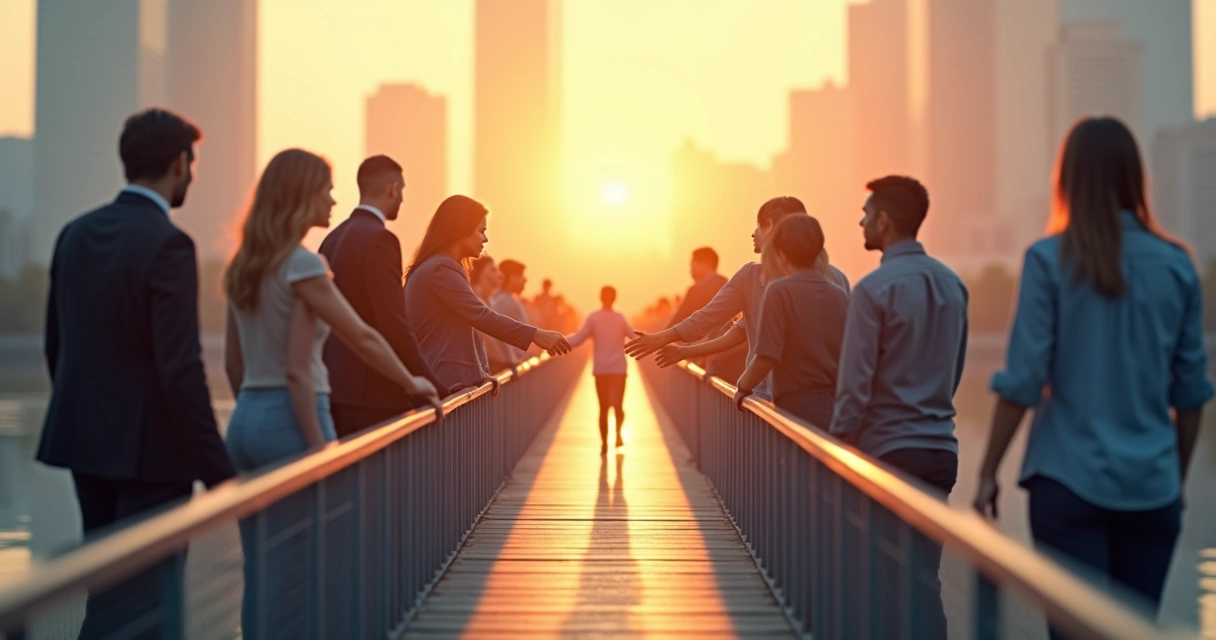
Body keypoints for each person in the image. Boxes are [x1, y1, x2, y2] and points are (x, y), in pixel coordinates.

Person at [973, 117, 1212, 635]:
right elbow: (1191, 394)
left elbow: (1023, 380)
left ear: (1069, 178)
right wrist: (1175, 475)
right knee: (1134, 629)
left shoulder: (1048, 260)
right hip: (1153, 487)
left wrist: (988, 470)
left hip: (1067, 483)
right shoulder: (1177, 265)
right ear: (1134, 176)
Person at [222, 149, 440, 637]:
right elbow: (354, 339)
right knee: (302, 563)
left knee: (260, 564)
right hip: (291, 416)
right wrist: (413, 382)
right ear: (302, 197)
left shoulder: (246, 264)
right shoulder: (302, 264)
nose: (334, 198)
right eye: (326, 189)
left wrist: (255, 412)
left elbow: (233, 363)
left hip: (245, 420)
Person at [36, 109, 235, 639]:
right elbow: (180, 368)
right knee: (149, 606)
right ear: (177, 163)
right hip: (152, 456)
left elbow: (58, 345)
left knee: (105, 595)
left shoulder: (74, 234)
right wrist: (220, 472)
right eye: (192, 163)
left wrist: (87, 418)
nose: (192, 174)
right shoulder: (169, 244)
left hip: (86, 445)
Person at [828, 175, 968, 639]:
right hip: (939, 453)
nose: (862, 221)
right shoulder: (953, 285)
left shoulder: (873, 289)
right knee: (925, 581)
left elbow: (854, 385)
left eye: (867, 214)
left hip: (888, 453)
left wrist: (837, 446)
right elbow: (956, 369)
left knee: (884, 582)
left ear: (885, 221)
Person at [632, 196, 850, 399]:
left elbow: (711, 319)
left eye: (758, 225)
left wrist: (743, 385)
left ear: (771, 226)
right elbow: (742, 329)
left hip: (770, 401)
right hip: (823, 402)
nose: (754, 233)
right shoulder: (836, 280)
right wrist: (682, 349)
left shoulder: (755, 278)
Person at [318, 155, 445, 438]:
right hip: (374, 393)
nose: (402, 200)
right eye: (402, 191)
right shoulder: (380, 239)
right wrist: (431, 382)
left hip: (333, 389)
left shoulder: (332, 239)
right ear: (393, 189)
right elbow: (394, 323)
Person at [405, 195, 572, 392]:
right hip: (443, 383)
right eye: (481, 231)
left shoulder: (445, 266)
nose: (485, 239)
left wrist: (481, 374)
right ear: (461, 230)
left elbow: (463, 330)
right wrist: (536, 335)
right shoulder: (441, 268)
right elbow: (479, 316)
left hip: (448, 382)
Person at [733, 215, 849, 429]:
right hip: (834, 405)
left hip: (795, 405)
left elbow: (767, 356)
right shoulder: (838, 294)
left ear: (779, 253)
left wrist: (742, 386)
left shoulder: (778, 292)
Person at [567, 286, 636, 455]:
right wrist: (659, 342)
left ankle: (604, 444)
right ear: (615, 298)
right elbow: (634, 336)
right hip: (618, 368)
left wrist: (559, 343)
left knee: (603, 407)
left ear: (600, 298)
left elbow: (579, 338)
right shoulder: (619, 318)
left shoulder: (594, 318)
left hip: (601, 368)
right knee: (618, 406)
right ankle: (618, 436)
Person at [486, 259, 533, 372]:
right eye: (521, 275)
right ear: (512, 277)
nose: (525, 280)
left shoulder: (507, 300)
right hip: (508, 367)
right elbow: (515, 340)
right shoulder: (505, 302)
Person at [665, 247, 728, 328]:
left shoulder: (697, 289)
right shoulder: (727, 283)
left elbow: (675, 323)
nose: (690, 270)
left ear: (704, 264)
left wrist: (656, 339)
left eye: (692, 264)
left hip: (704, 339)